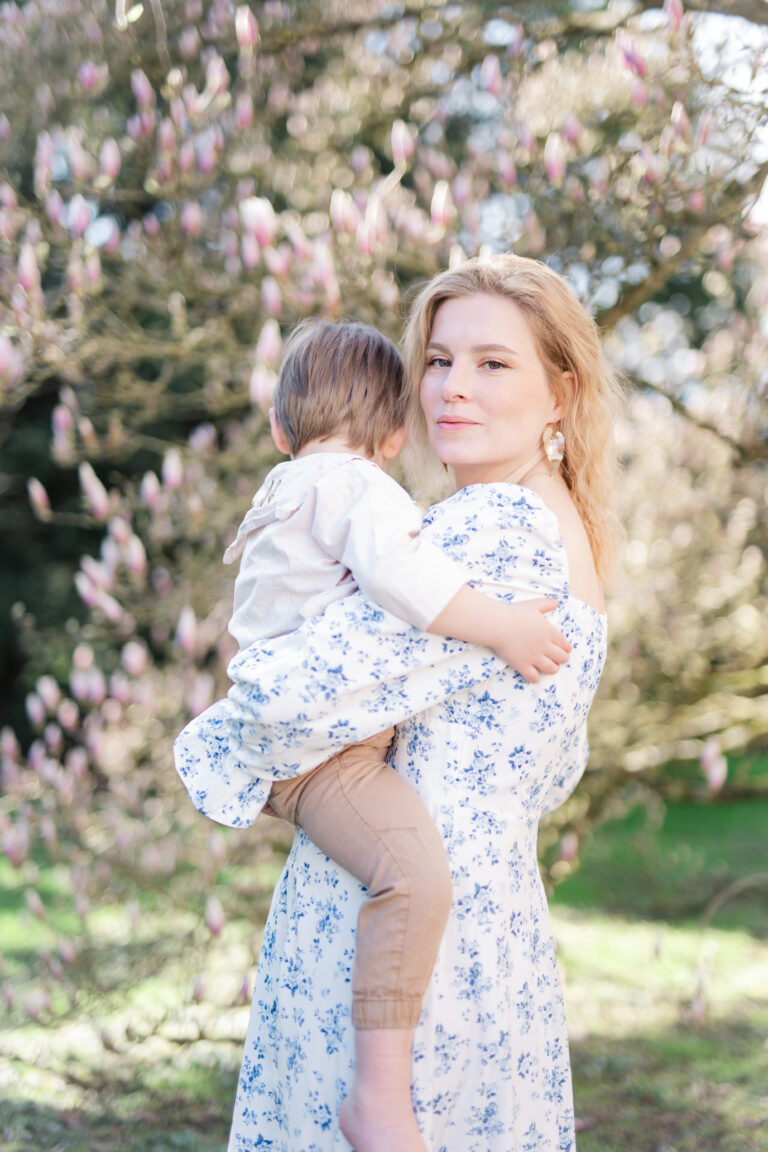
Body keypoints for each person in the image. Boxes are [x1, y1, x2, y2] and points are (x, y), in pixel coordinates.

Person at [183, 253, 620, 1152]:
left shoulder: (493, 526)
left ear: (559, 394)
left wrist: (232, 748)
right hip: (487, 930)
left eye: (493, 363)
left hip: (401, 948)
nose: (452, 388)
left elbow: (289, 697)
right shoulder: (554, 527)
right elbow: (549, 771)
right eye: (437, 360)